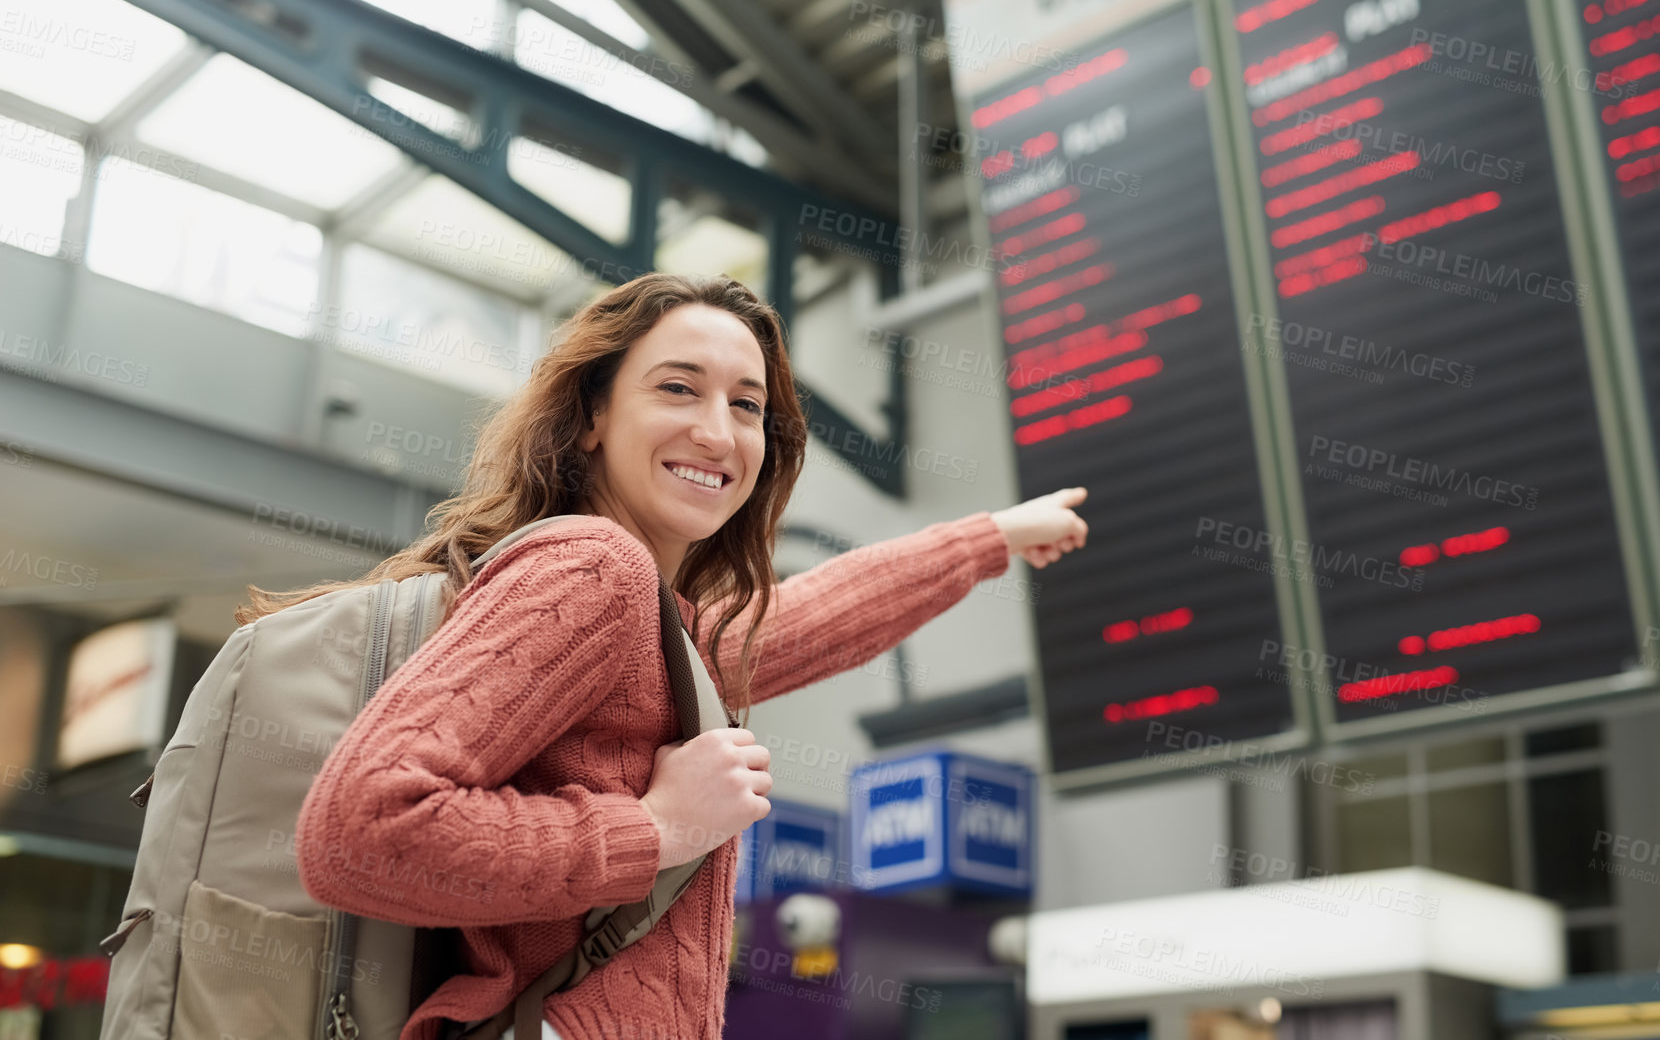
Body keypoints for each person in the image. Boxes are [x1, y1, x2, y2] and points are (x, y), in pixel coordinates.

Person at [270, 273, 1088, 1040]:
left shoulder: (652, 621)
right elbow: (362, 828)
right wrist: (657, 826)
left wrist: (992, 537)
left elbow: (808, 617)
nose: (716, 431)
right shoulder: (596, 569)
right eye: (677, 388)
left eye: (745, 404)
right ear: (592, 414)